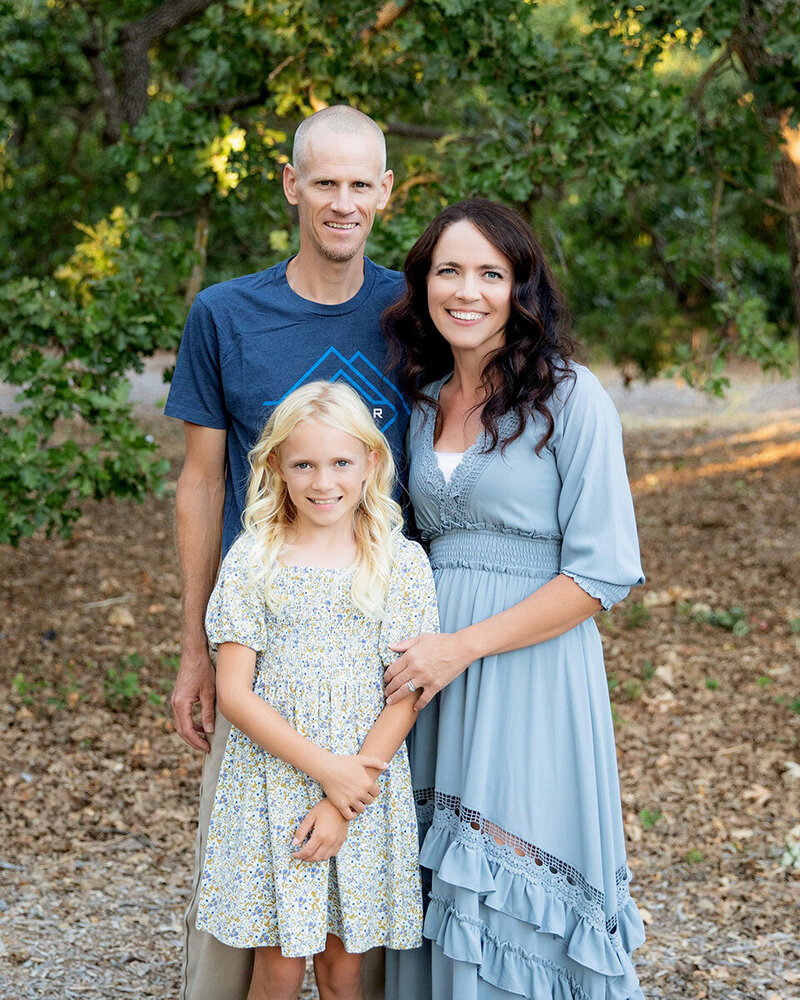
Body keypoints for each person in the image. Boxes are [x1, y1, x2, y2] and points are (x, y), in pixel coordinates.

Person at [164, 105, 407, 1000]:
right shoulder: (227, 315)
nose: (341, 202)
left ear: (387, 191)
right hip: (262, 653)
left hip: (382, 650)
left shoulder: (416, 312)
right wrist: (195, 647)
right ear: (290, 184)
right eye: (324, 181)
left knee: (362, 921)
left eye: (359, 184)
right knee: (248, 905)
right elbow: (200, 483)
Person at [381, 199, 646, 1000]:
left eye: (490, 273)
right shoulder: (418, 399)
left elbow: (602, 573)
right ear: (424, 283)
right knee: (438, 884)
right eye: (449, 271)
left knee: (513, 881)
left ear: (520, 288)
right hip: (430, 676)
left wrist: (464, 646)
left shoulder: (571, 396)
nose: (468, 290)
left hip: (530, 673)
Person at [193, 380, 439, 1000]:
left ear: (371, 464)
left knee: (343, 963)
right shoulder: (253, 558)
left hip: (363, 783)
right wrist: (324, 772)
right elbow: (236, 694)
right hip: (274, 780)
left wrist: (342, 796)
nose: (322, 481)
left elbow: (405, 693)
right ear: (276, 464)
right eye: (303, 463)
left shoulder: (401, 562)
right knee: (276, 962)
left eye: (340, 463)